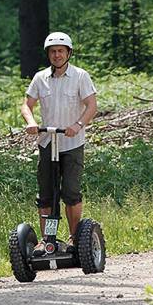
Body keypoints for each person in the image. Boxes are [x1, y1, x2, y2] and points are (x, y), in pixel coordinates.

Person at [21, 31, 97, 252]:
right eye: (53, 52)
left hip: (72, 143)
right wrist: (31, 121)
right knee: (45, 193)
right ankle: (48, 240)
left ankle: (75, 239)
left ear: (68, 53)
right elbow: (27, 104)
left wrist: (78, 125)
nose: (57, 55)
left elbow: (92, 106)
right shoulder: (40, 78)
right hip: (47, 142)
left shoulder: (80, 76)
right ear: (48, 54)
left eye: (60, 51)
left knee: (71, 192)